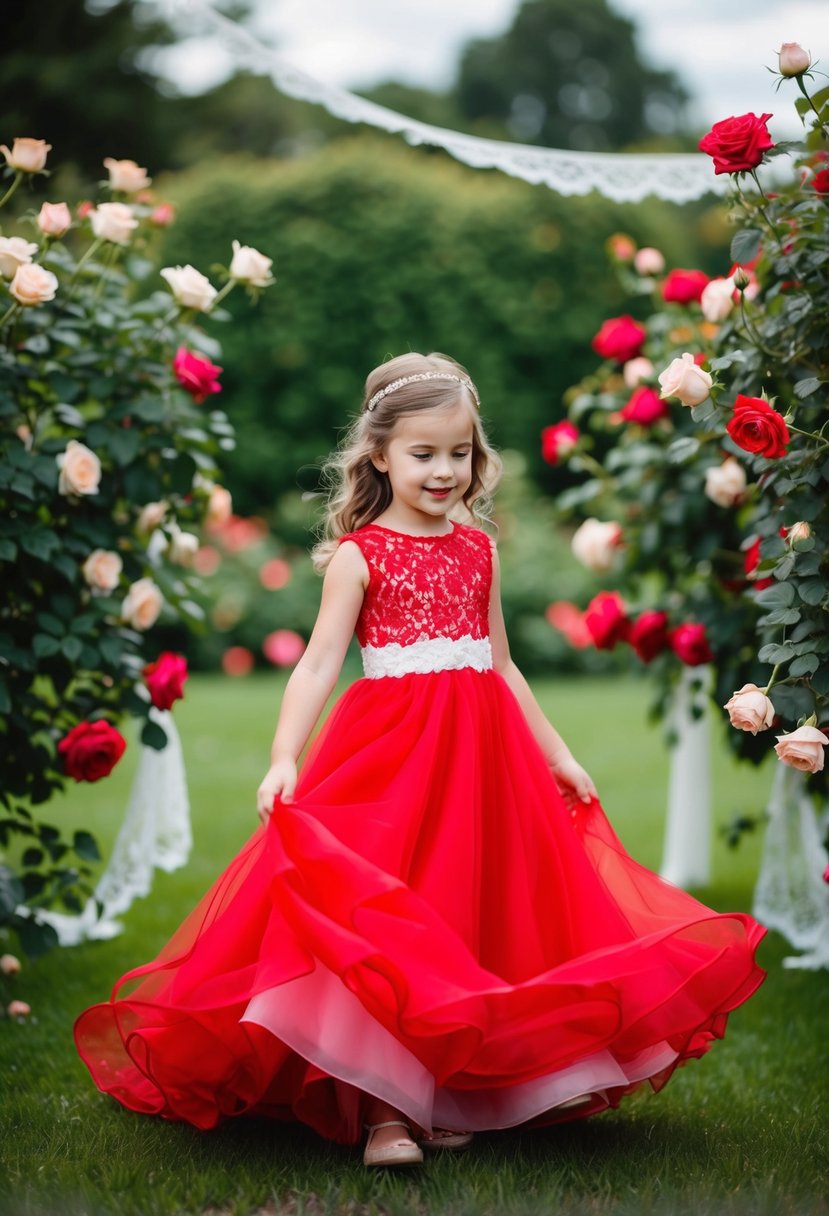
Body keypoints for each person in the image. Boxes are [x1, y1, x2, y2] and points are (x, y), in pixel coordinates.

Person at [75, 351, 766, 1169]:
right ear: (378, 455)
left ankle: (464, 1086)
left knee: (476, 916)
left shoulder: (479, 550)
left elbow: (502, 664)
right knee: (390, 926)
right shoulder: (360, 554)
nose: (444, 471)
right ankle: (384, 1114)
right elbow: (318, 662)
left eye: (460, 453)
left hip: (485, 758)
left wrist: (559, 754)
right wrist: (283, 757)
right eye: (423, 453)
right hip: (391, 759)